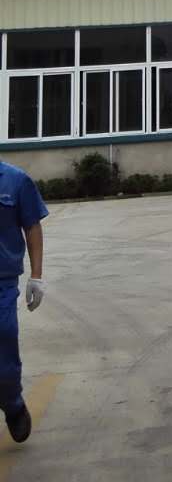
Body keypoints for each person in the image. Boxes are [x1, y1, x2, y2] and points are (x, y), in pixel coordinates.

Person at [0, 160, 47, 444]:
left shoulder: (16, 180)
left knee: (4, 343)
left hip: (2, 284)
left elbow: (32, 226)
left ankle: (13, 404)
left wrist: (36, 276)